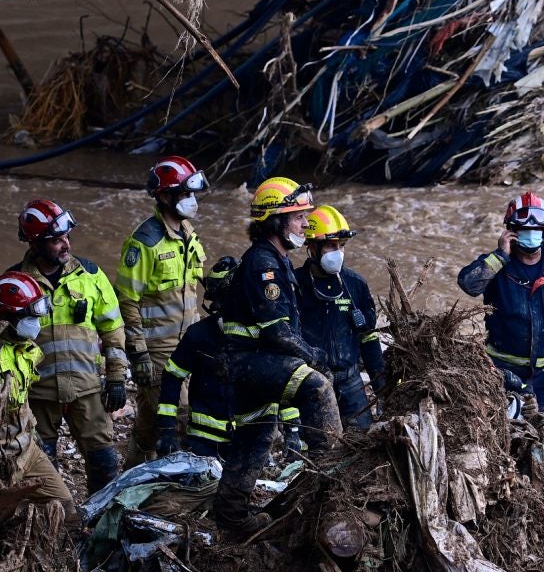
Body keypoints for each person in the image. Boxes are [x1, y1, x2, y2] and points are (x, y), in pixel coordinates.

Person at [210, 176, 343, 540]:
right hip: (250, 361)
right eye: (299, 217)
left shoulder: (275, 259)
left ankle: (231, 519)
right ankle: (335, 486)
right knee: (317, 388)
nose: (305, 224)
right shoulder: (263, 264)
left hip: (251, 364)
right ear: (275, 220)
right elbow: (277, 331)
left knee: (255, 437)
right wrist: (314, 357)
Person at [3, 199, 127, 494]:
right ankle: (56, 516)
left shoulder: (90, 275)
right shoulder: (14, 284)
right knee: (43, 469)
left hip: (87, 390)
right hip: (37, 395)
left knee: (104, 461)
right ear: (35, 243)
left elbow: (113, 328)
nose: (66, 244)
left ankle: (100, 513)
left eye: (67, 237)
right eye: (56, 240)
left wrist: (116, 377)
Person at [155, 257, 300, 459]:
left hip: (253, 438)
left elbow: (283, 382)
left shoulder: (267, 335)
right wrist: (167, 429)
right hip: (205, 442)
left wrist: (292, 431)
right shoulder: (199, 335)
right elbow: (172, 376)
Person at [457, 192, 544, 409]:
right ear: (511, 232)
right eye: (524, 230)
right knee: (506, 421)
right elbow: (468, 284)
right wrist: (500, 255)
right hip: (500, 371)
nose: (531, 235)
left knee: (537, 420)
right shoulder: (497, 265)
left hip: (542, 375)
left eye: (536, 230)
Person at [115, 156, 208, 465]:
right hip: (157, 351)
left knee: (148, 423)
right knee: (180, 418)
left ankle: (130, 477)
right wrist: (138, 353)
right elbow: (127, 301)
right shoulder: (144, 243)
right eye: (185, 194)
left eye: (192, 193)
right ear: (165, 196)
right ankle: (179, 485)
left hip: (188, 343)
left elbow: (194, 287)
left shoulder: (187, 233)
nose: (192, 200)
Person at [0, 271, 76, 526]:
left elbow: (22, 398)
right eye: (30, 317)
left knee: (66, 508)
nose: (36, 323)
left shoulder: (26, 349)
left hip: (27, 448)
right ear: (9, 317)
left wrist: (33, 434)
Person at [295, 205, 385, 428]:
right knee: (319, 443)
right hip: (311, 383)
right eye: (331, 245)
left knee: (363, 438)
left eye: (342, 245)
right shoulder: (294, 285)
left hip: (350, 382)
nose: (338, 252)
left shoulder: (355, 284)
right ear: (312, 247)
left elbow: (369, 338)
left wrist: (381, 388)